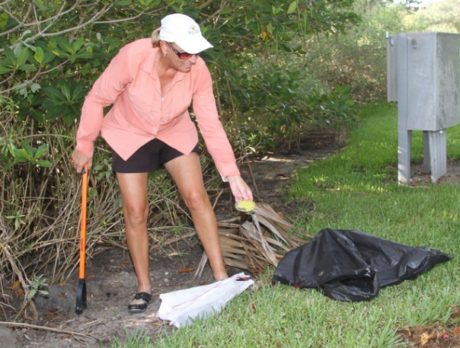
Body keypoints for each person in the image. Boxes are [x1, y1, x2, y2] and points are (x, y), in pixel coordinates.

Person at [71, 13, 253, 313]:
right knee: (136, 212)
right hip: (130, 133)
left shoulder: (198, 70)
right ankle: (144, 286)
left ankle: (221, 278)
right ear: (164, 46)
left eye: (196, 51)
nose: (192, 59)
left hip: (174, 132)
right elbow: (96, 98)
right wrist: (85, 142)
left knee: (197, 197)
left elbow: (210, 123)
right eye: (185, 52)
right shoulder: (133, 57)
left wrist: (232, 174)